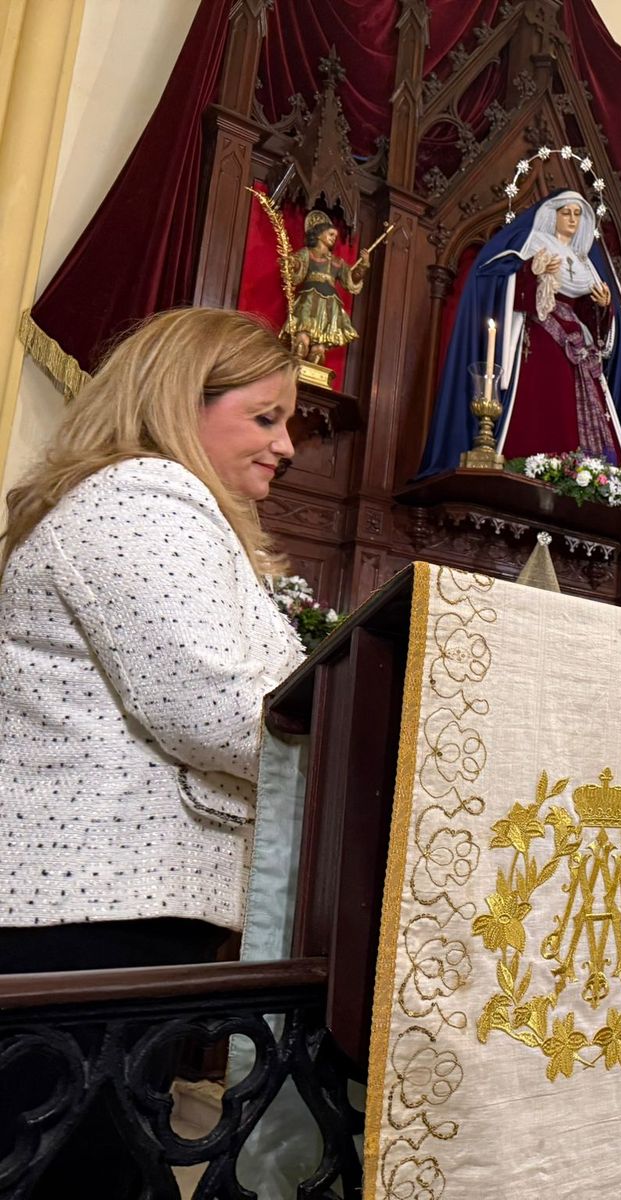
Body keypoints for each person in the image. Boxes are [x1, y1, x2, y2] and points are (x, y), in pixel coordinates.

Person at [0, 307, 307, 1194]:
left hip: (101, 903)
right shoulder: (144, 501)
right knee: (77, 1171)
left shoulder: (145, 505)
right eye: (265, 416)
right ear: (181, 401)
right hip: (85, 907)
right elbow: (217, 711)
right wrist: (365, 755)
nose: (285, 446)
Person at [420, 188, 621, 476]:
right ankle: (532, 463)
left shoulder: (586, 263)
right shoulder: (535, 244)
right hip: (540, 340)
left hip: (579, 352)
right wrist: (532, 272)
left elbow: (594, 326)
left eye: (577, 214)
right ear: (553, 215)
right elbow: (501, 282)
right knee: (543, 405)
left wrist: (603, 307)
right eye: (566, 212)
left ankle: (585, 473)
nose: (573, 219)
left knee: (578, 411)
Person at [286, 209, 368, 365]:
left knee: (321, 342)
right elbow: (297, 267)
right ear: (318, 234)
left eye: (335, 237)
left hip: (330, 302)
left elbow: (351, 279)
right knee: (303, 333)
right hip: (309, 297)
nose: (333, 238)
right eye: (330, 234)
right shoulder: (307, 253)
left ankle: (317, 353)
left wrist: (363, 265)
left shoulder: (337, 262)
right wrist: (292, 263)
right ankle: (299, 350)